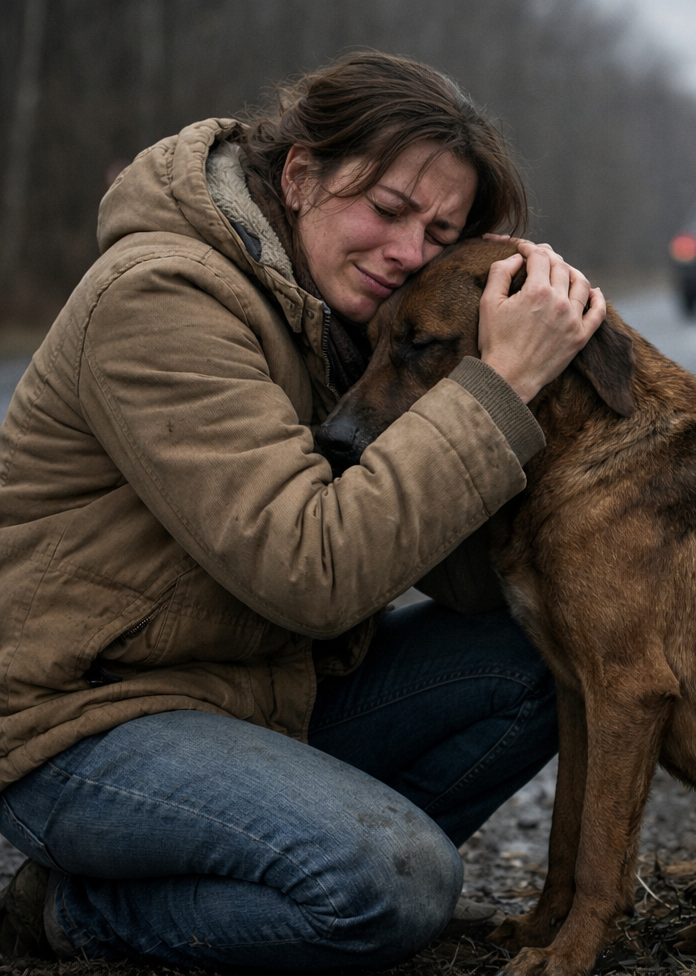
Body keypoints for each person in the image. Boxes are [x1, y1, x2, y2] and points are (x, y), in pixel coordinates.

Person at [0, 51, 605, 969]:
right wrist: (496, 393)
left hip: (262, 695)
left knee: (549, 643)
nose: (409, 252)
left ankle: (276, 866)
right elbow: (313, 573)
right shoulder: (161, 297)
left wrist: (496, 351)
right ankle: (78, 912)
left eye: (441, 233)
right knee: (394, 886)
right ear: (299, 175)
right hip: (86, 725)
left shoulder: (343, 321)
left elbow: (471, 584)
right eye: (388, 208)